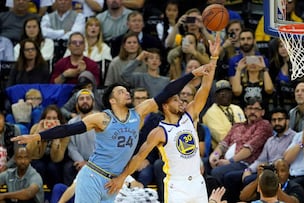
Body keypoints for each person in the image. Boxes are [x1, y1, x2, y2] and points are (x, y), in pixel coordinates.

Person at [12, 56, 213, 202]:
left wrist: (192, 74)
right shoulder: (101, 118)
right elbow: (67, 130)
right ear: (112, 99)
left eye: (127, 90)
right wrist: (37, 136)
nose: (127, 93)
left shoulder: (139, 112)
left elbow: (166, 92)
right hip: (93, 175)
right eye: (121, 91)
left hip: (114, 181)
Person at [109, 32, 220, 203]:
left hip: (198, 183)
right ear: (166, 106)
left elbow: (205, 88)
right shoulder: (159, 132)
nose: (181, 101)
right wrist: (122, 177)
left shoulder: (189, 116)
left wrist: (214, 58)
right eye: (176, 99)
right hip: (177, 187)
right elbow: (139, 157)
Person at [206, 97, 273, 187]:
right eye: (250, 108)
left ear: (263, 112)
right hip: (225, 160)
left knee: (217, 172)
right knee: (203, 164)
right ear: (245, 111)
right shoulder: (237, 126)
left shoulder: (264, 125)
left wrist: (229, 161)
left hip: (245, 163)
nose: (252, 111)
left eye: (256, 109)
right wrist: (215, 155)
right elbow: (223, 144)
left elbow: (249, 149)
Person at [26, 105, 69, 189]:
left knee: (52, 167)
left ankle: (54, 194)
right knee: (39, 166)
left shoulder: (65, 132)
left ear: (59, 120)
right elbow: (30, 153)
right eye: (48, 118)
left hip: (56, 161)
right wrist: (39, 134)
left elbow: (57, 158)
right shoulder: (35, 127)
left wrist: (57, 137)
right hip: (39, 158)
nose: (51, 121)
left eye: (54, 118)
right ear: (43, 119)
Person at [62, 89, 97, 185]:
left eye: (88, 98)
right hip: (79, 161)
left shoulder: (101, 120)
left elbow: (105, 147)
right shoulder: (72, 123)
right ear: (77, 104)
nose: (85, 101)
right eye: (81, 99)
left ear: (93, 102)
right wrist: (81, 162)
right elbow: (71, 147)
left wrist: (89, 163)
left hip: (98, 161)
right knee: (68, 168)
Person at [202, 79, 246, 149]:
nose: (223, 94)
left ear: (231, 94)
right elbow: (222, 138)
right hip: (222, 151)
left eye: (226, 91)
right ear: (215, 96)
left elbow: (246, 129)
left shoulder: (237, 109)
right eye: (220, 92)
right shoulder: (210, 113)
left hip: (242, 147)